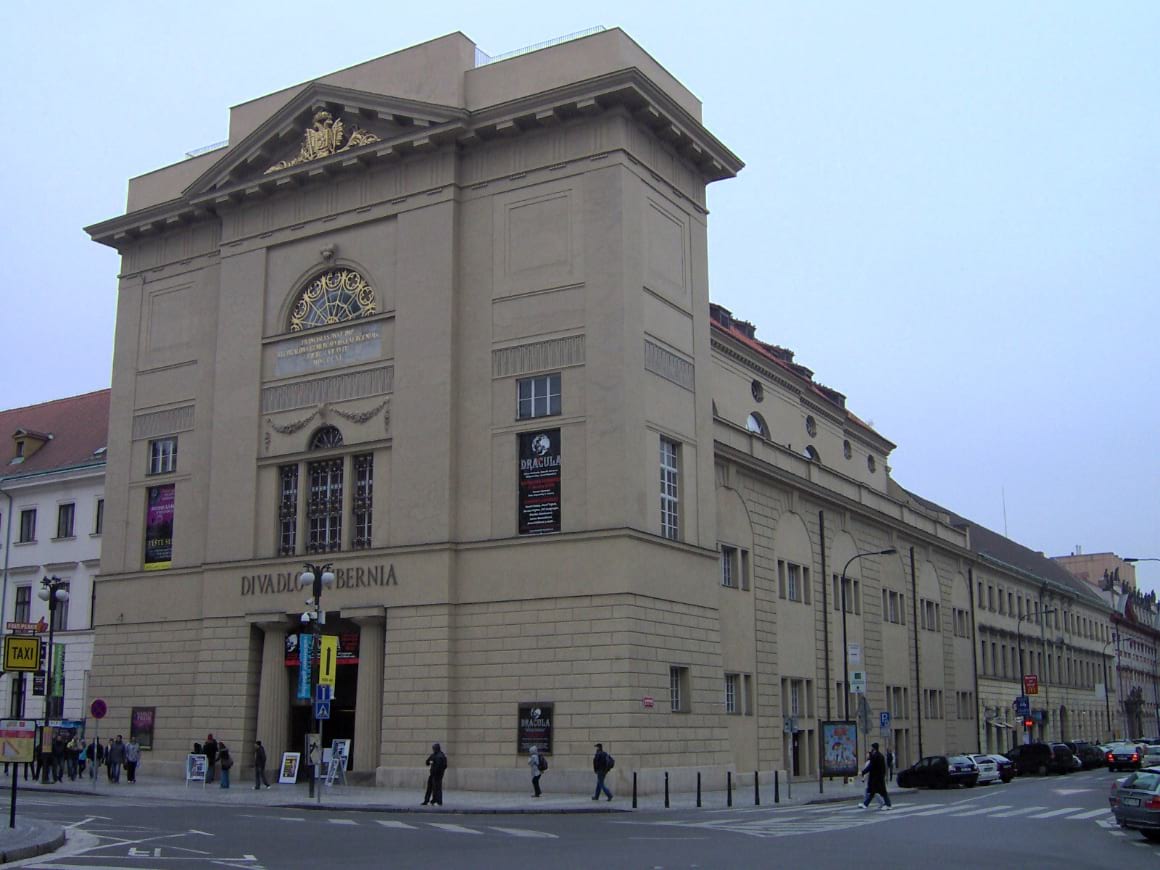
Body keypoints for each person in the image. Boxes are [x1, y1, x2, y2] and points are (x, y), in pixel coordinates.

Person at [859, 742, 892, 809]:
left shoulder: (875, 756)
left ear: (874, 748)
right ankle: (866, 804)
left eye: (872, 748)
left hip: (875, 778)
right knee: (874, 792)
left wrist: (863, 772)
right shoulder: (880, 756)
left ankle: (888, 805)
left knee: (880, 792)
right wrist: (883, 775)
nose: (871, 749)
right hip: (879, 777)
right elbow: (883, 767)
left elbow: (871, 766)